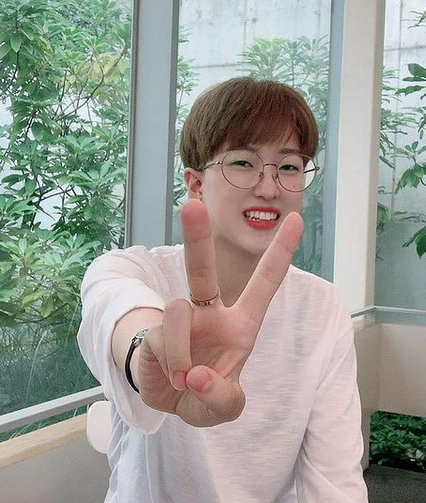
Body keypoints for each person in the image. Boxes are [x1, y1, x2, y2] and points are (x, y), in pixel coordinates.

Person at [77, 77, 369, 503]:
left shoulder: (321, 306)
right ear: (196, 183)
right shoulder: (133, 270)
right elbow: (119, 311)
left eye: (289, 167)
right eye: (243, 163)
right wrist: (151, 356)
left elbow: (334, 480)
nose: (269, 187)